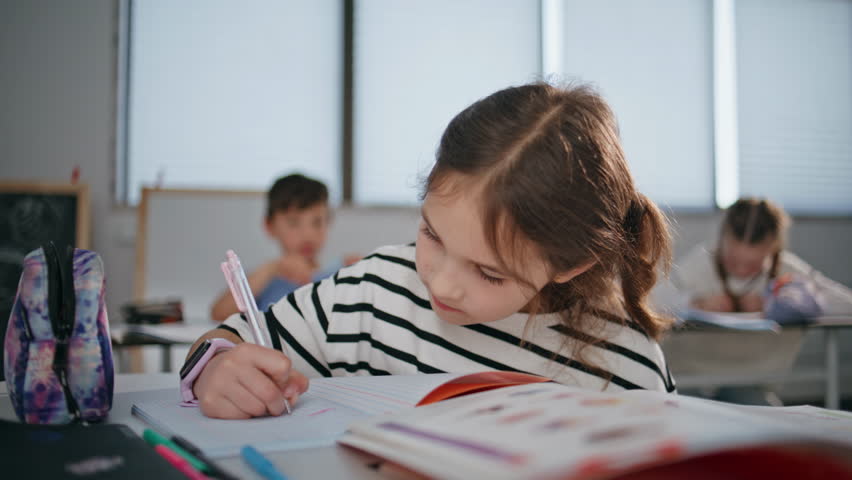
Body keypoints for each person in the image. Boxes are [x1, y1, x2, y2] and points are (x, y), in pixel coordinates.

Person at [186, 82, 677, 419]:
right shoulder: (372, 292)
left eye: (488, 273)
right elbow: (229, 337)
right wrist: (216, 367)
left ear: (571, 264)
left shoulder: (626, 364)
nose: (440, 283)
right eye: (432, 235)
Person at [210, 174, 359, 321]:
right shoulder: (262, 280)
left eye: (317, 222)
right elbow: (219, 313)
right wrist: (271, 268)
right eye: (293, 223)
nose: (308, 234)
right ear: (269, 226)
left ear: (329, 223)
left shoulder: (337, 273)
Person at [672, 197, 852, 315]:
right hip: (705, 369)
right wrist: (695, 305)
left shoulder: (784, 267)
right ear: (721, 240)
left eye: (752, 265)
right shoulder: (702, 260)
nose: (741, 270)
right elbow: (653, 303)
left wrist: (782, 304)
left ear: (773, 249)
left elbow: (844, 302)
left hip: (772, 369)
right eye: (732, 261)